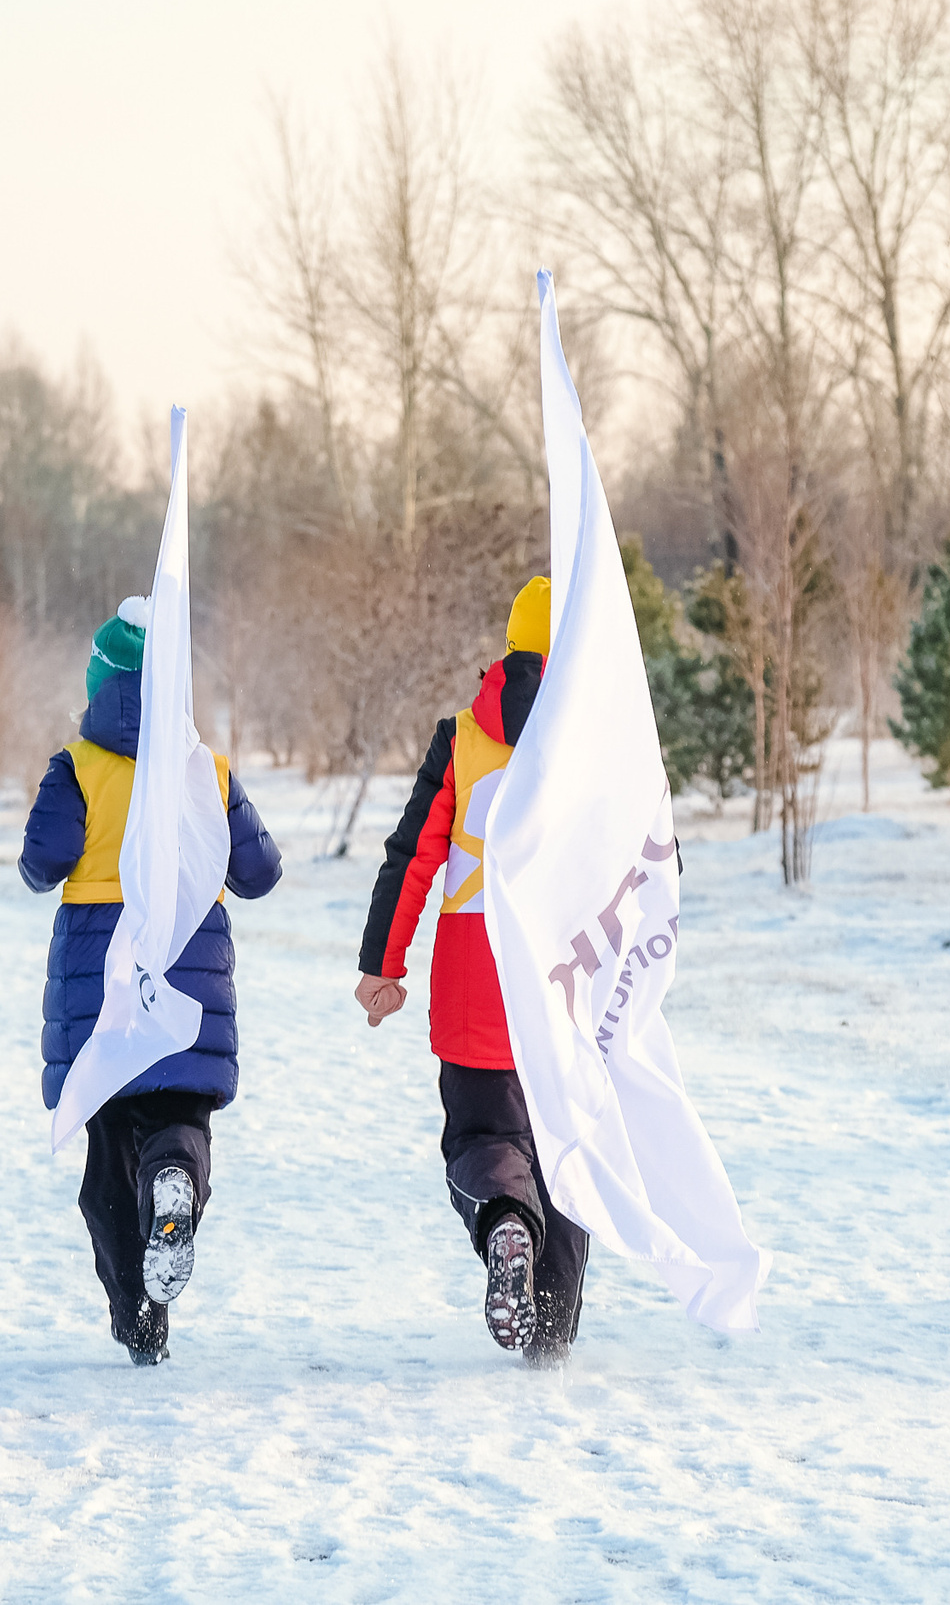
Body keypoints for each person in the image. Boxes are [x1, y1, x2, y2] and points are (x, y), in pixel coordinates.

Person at [19, 598, 283, 1366]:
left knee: (107, 1165)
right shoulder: (207, 771)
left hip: (105, 991)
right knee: (178, 1123)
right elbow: (259, 873)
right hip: (189, 977)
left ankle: (138, 1319)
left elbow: (42, 864)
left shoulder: (77, 768)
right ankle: (174, 1179)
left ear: (99, 686)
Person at [354, 576, 589, 1367]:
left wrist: (382, 966)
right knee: (565, 1147)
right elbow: (654, 864)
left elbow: (413, 852)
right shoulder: (601, 740)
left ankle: (504, 1225)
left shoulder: (461, 736)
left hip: (473, 980)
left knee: (487, 1135)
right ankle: (550, 1331)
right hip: (569, 983)